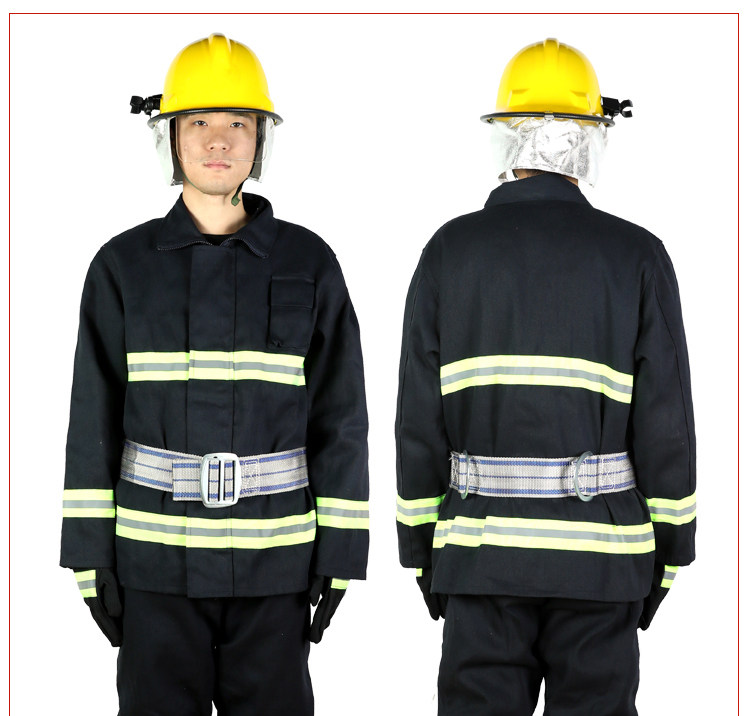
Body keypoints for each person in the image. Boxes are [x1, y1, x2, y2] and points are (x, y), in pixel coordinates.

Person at [61, 33, 369, 715]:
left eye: (238, 123)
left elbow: (341, 419)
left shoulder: (310, 263)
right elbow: (93, 417)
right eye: (198, 121)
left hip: (274, 564)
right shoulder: (122, 267)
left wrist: (342, 551)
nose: (218, 140)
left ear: (261, 139)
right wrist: (88, 553)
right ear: (170, 136)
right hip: (153, 565)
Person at [395, 38, 695, 715]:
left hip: (479, 556)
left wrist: (422, 550)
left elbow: (418, 420)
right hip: (602, 561)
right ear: (591, 138)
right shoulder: (637, 256)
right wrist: (670, 550)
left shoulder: (448, 251)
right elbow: (667, 423)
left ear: (507, 135)